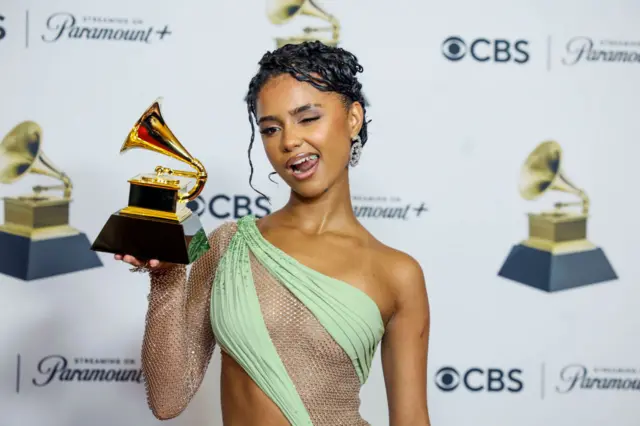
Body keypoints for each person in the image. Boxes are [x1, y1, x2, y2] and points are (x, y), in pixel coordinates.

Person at [116, 41, 431, 426]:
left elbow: (412, 419)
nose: (288, 141)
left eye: (308, 118)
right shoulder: (228, 244)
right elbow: (167, 400)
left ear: (353, 118)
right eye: (270, 128)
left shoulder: (399, 273)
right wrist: (166, 276)